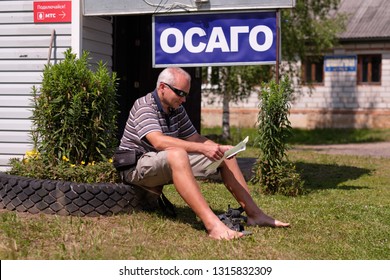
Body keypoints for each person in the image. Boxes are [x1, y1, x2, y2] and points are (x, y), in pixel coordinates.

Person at [118, 67, 289, 240]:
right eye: (180, 93)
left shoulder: (176, 107)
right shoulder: (144, 105)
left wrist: (218, 148)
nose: (184, 99)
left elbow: (194, 137)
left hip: (163, 161)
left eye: (186, 94)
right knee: (178, 153)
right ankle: (213, 226)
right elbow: (159, 142)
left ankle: (255, 214)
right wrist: (203, 148)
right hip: (136, 166)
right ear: (162, 87)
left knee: (225, 157)